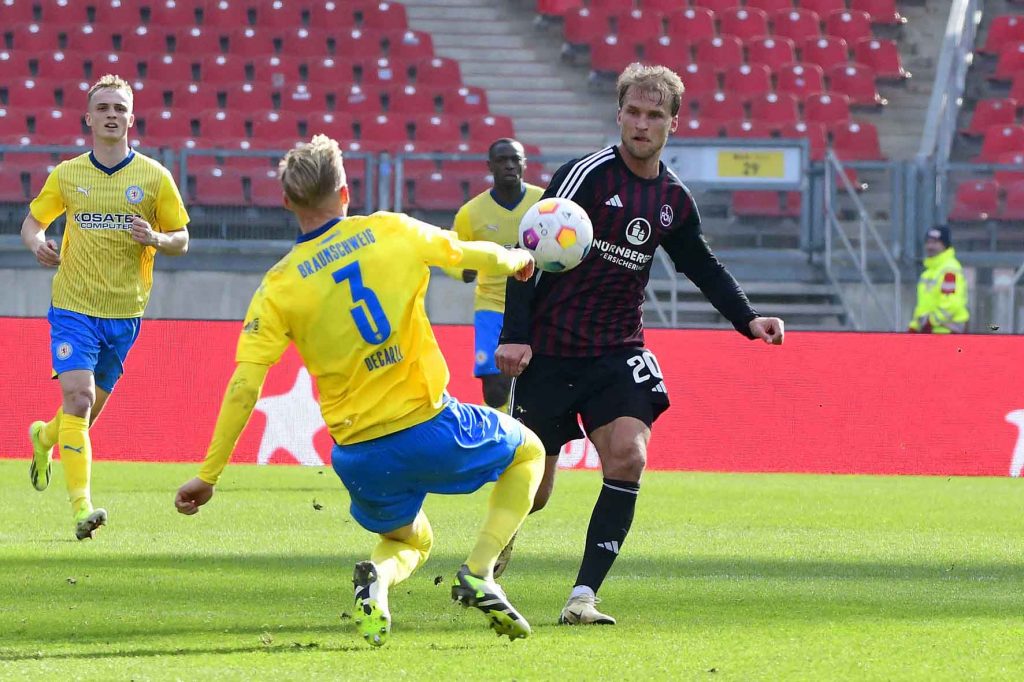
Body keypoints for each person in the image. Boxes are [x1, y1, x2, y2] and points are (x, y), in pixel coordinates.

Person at [173, 135, 545, 648]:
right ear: (346, 191)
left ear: (286, 203)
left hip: (358, 453)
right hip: (430, 424)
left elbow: (245, 385)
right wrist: (513, 260)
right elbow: (463, 253)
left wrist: (208, 474)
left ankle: (377, 582)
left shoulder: (278, 285)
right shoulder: (389, 229)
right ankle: (481, 571)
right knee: (530, 451)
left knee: (409, 539)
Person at [495, 63, 785, 625]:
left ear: (673, 123)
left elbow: (700, 263)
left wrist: (747, 318)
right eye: (633, 112)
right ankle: (489, 555)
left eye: (655, 115)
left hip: (615, 350)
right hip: (551, 352)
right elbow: (525, 256)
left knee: (629, 455)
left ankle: (582, 597)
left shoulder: (672, 198)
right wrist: (516, 336)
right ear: (619, 114)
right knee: (536, 492)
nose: (642, 124)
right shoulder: (584, 176)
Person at [23, 73, 190, 540]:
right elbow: (32, 224)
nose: (112, 115)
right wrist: (39, 244)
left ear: (132, 119)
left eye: (120, 108)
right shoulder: (69, 174)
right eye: (104, 108)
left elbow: (182, 238)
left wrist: (156, 237)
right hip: (73, 307)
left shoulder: (155, 178)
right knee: (79, 399)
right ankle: (82, 510)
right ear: (89, 118)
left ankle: (43, 438)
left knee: (84, 416)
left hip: (126, 313)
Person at [445, 138, 544, 410]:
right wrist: (461, 271)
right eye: (502, 160)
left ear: (524, 164)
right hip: (492, 306)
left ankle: (525, 437)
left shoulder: (543, 202)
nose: (510, 165)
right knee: (496, 390)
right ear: (490, 166)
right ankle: (500, 440)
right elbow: (449, 253)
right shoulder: (471, 213)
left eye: (515, 159)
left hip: (538, 306)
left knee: (539, 383)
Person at [908, 226, 969, 334]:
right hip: (932, 333)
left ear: (945, 245)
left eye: (935, 242)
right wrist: (914, 326)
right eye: (928, 242)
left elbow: (950, 304)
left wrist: (930, 322)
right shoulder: (928, 273)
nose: (930, 246)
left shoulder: (950, 270)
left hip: (948, 333)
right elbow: (923, 306)